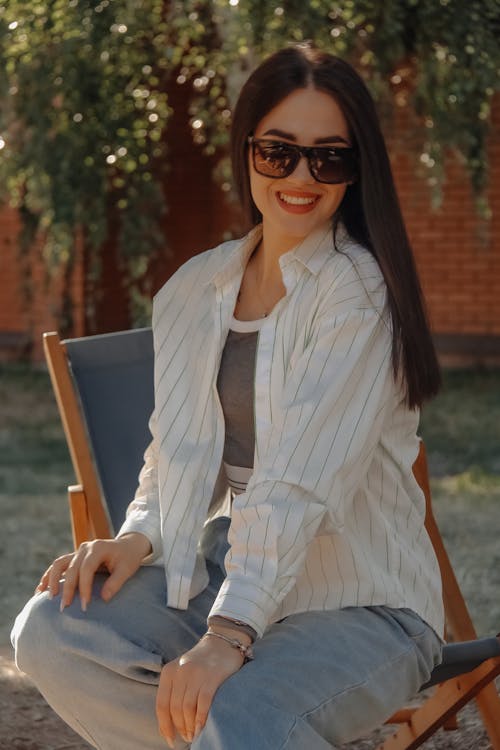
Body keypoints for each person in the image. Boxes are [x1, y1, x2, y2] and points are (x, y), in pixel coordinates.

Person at [11, 43, 444, 750]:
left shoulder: (360, 294)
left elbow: (294, 486)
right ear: (246, 152)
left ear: (354, 171)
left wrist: (228, 634)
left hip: (364, 605)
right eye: (279, 152)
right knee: (52, 630)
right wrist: (136, 536)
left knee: (243, 715)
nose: (302, 177)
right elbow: (175, 455)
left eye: (328, 157)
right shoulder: (194, 289)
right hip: (227, 578)